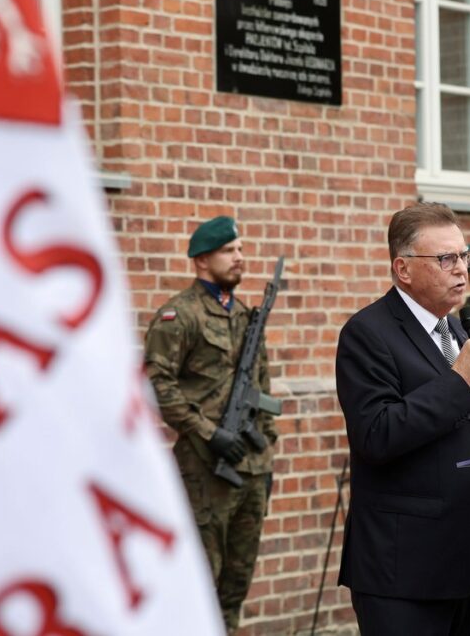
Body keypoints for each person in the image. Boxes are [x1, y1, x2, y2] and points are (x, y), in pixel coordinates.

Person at [335, 203, 470, 636]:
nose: (461, 270)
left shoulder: (456, 329)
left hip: (461, 562)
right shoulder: (367, 333)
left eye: (464, 256)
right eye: (445, 259)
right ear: (403, 269)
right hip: (404, 571)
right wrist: (460, 378)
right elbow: (376, 435)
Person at [143, 215, 277, 634]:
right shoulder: (178, 317)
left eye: (240, 250)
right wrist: (208, 433)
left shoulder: (243, 315)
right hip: (205, 471)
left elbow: (262, 382)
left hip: (251, 469)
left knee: (235, 586)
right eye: (229, 251)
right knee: (199, 583)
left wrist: (267, 442)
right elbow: (155, 383)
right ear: (202, 260)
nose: (240, 258)